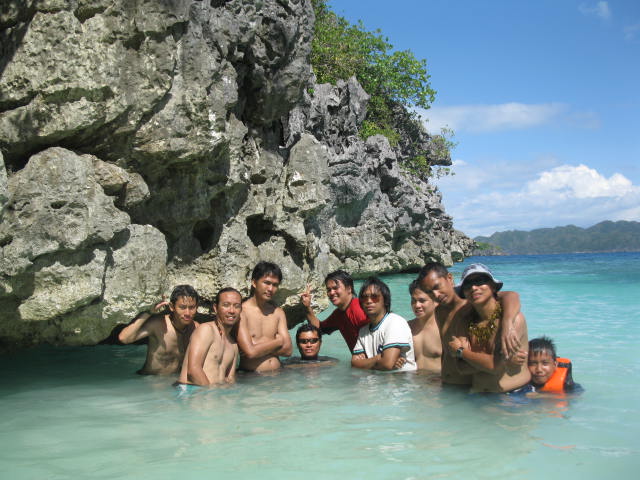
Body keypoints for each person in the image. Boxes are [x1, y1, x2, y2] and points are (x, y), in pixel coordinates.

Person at [417, 262, 522, 386]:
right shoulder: (440, 310)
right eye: (429, 292)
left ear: (449, 278)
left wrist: (507, 322)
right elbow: (447, 352)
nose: (435, 295)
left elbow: (510, 295)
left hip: (465, 388)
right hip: (446, 386)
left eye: (437, 287)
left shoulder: (471, 303)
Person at [446, 263, 531, 393]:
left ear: (493, 287)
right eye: (467, 284)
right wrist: (494, 362)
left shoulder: (513, 321)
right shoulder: (465, 321)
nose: (474, 287)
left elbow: (494, 366)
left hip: (514, 397)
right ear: (463, 292)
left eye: (480, 281)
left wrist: (461, 351)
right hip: (478, 396)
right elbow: (462, 368)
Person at [118, 285, 200, 375]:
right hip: (148, 382)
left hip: (173, 383)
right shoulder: (158, 325)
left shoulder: (196, 329)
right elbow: (124, 338)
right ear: (172, 307)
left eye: (192, 307)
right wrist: (148, 313)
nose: (187, 313)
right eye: (182, 307)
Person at [176, 288, 242, 387]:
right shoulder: (206, 330)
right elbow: (193, 370)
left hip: (212, 396)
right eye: (226, 305)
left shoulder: (233, 346)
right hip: (190, 391)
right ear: (215, 308)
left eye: (236, 306)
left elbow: (230, 379)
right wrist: (210, 394)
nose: (232, 311)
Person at [351, 277, 417, 372]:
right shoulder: (363, 332)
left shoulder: (395, 322)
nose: (369, 301)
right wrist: (378, 358)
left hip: (402, 383)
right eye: (364, 297)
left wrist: (366, 362)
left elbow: (387, 364)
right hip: (378, 384)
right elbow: (354, 364)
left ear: (385, 300)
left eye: (374, 297)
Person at [237, 261, 292, 372]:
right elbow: (250, 353)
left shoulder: (278, 313)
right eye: (266, 283)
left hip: (278, 375)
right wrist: (278, 342)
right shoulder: (242, 312)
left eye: (275, 285)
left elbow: (288, 350)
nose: (271, 289)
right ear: (254, 283)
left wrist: (257, 346)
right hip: (252, 377)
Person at [300, 270, 368, 352]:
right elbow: (320, 329)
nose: (331, 293)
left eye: (336, 288)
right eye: (329, 290)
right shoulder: (339, 314)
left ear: (349, 289)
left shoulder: (359, 309)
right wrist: (307, 307)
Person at [407, 280, 442, 374]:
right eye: (413, 301)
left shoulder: (443, 329)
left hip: (438, 386)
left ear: (435, 301)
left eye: (422, 301)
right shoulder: (407, 328)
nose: (417, 305)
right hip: (411, 386)